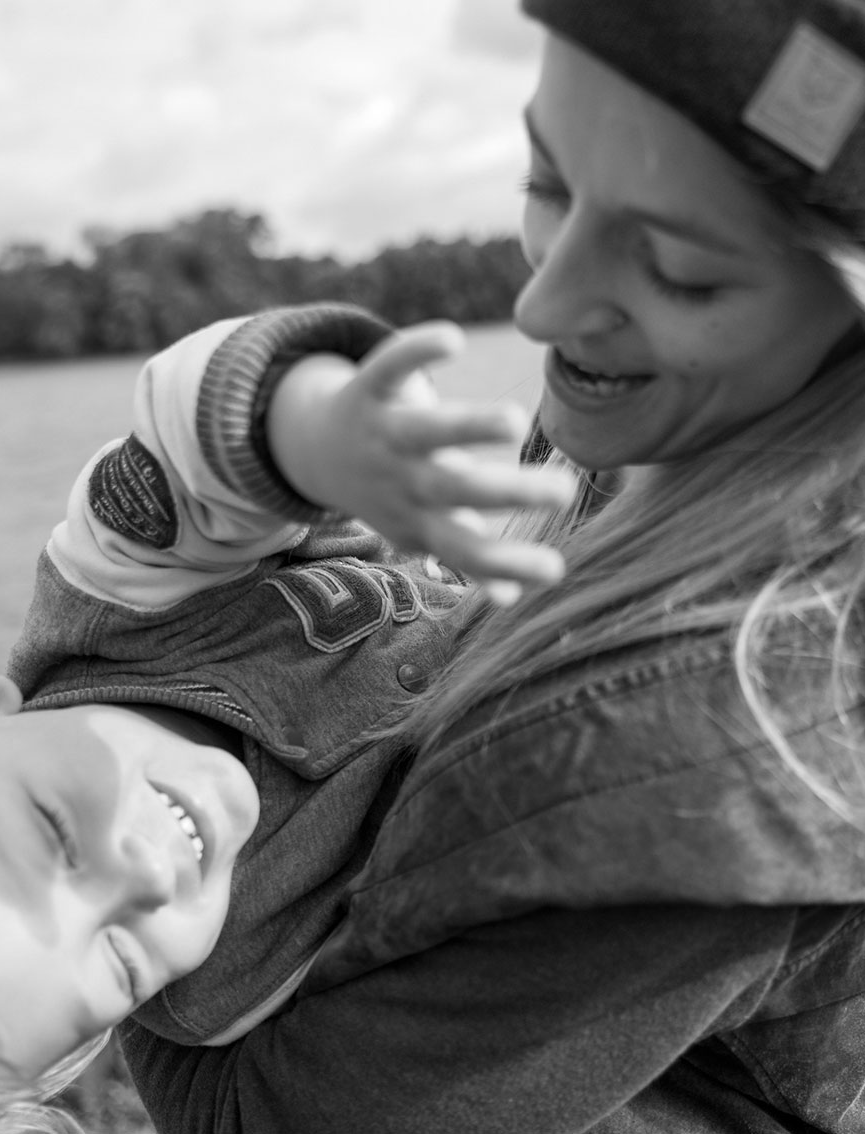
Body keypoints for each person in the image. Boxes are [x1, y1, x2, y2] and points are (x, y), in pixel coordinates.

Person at [112, 2, 865, 1132]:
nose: (541, 305)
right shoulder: (649, 429)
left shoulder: (704, 747)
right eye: (546, 182)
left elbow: (247, 1117)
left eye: (675, 270)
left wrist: (89, 823)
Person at [0, 304, 572, 1133]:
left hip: (511, 559)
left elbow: (193, 441)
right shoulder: (236, 992)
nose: (147, 881)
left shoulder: (115, 601)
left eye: (53, 835)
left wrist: (317, 435)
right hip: (570, 693)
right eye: (122, 964)